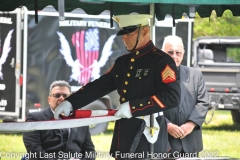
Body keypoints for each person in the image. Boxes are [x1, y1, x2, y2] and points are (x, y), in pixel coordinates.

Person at [54, 14, 181, 159]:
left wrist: (133, 107)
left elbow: (173, 97)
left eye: (128, 33)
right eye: (123, 33)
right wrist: (71, 102)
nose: (123, 38)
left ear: (144, 31)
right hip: (125, 133)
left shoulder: (162, 61)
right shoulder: (123, 62)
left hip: (149, 134)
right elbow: (99, 87)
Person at [162, 35, 209, 157]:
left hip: (190, 143)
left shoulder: (196, 75)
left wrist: (191, 124)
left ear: (183, 54)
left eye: (178, 53)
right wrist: (166, 125)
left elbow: (203, 102)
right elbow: (150, 105)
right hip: (164, 144)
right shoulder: (153, 77)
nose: (174, 56)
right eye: (170, 52)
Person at [23, 80, 95, 160]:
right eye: (57, 95)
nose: (61, 98)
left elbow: (90, 152)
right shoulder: (35, 119)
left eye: (65, 96)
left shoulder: (80, 120)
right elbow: (34, 151)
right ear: (49, 100)